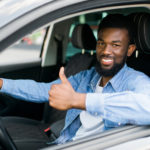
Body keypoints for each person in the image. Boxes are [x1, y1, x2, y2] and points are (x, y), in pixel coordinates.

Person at [0, 14, 150, 145]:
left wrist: (78, 100)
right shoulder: (88, 76)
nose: (105, 51)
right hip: (68, 142)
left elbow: (147, 107)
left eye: (115, 45)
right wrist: (2, 83)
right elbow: (44, 90)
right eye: (101, 43)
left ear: (130, 49)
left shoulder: (136, 81)